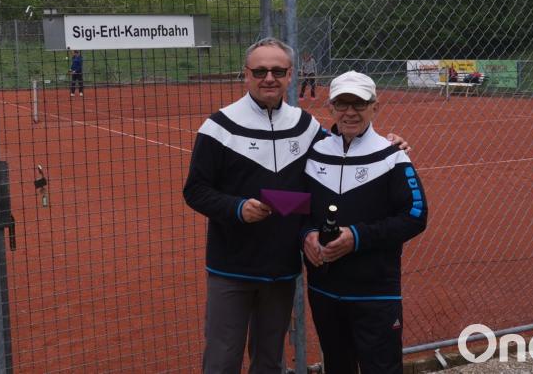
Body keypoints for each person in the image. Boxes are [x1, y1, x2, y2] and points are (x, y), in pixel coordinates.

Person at [183, 38, 409, 374]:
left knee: (270, 359)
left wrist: (388, 142)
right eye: (260, 71)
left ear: (291, 75)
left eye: (278, 70)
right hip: (231, 267)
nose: (269, 78)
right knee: (222, 358)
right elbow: (196, 190)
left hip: (281, 268)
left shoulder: (306, 126)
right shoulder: (219, 126)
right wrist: (237, 208)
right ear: (246, 75)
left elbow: (344, 145)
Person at [301, 71, 428, 374]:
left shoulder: (392, 157)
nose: (350, 112)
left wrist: (358, 237)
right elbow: (298, 207)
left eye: (359, 104)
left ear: (375, 107)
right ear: (330, 108)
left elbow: (415, 215)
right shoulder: (314, 153)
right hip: (324, 290)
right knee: (337, 365)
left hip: (375, 293)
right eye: (342, 104)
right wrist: (306, 234)